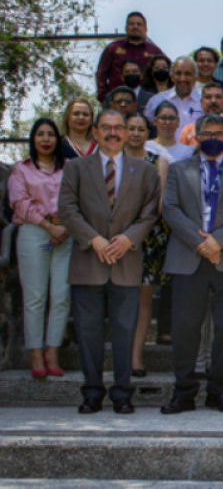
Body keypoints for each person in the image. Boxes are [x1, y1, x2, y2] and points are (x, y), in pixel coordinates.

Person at [58, 109, 161, 414]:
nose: (113, 133)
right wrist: (93, 239)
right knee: (88, 335)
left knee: (124, 334)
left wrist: (129, 238)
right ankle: (92, 393)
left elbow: (150, 212)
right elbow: (67, 208)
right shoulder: (76, 167)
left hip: (126, 264)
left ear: (128, 133)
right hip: (88, 262)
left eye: (119, 128)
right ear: (95, 131)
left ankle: (122, 393)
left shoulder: (145, 170)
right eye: (107, 128)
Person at [159, 113, 223, 414]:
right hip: (189, 258)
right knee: (186, 328)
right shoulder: (178, 170)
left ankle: (219, 392)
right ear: (197, 136)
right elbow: (170, 208)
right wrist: (201, 243)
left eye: (219, 132)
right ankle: (184, 393)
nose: (213, 137)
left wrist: (218, 242)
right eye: (207, 132)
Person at [10, 118, 71, 379]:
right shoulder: (21, 169)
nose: (45, 139)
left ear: (57, 139)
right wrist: (48, 226)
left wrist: (64, 227)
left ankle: (52, 351)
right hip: (34, 233)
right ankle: (35, 351)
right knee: (35, 297)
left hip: (66, 234)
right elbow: (19, 202)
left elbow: (76, 198)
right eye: (40, 134)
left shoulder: (68, 168)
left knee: (61, 295)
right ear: (33, 139)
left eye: (50, 134)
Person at [122, 113, 170, 378]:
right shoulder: (112, 162)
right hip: (116, 236)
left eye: (141, 129)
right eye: (131, 128)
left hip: (150, 236)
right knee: (121, 298)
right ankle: (121, 353)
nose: (136, 133)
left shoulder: (159, 161)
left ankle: (136, 356)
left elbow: (158, 201)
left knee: (144, 299)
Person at [95, 12, 165, 102]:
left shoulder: (154, 51)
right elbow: (101, 74)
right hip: (116, 101)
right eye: (131, 24)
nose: (135, 27)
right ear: (126, 28)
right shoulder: (113, 48)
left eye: (139, 24)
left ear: (145, 30)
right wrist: (102, 97)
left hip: (145, 101)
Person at [144, 57, 203, 134]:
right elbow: (146, 128)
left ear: (196, 78)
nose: (182, 78)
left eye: (187, 74)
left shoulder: (203, 102)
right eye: (178, 73)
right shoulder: (156, 101)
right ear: (171, 77)